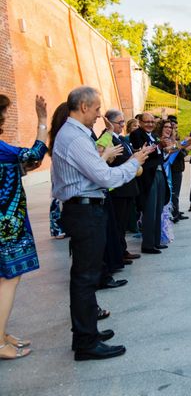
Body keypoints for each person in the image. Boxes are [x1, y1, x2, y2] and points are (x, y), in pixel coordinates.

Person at [52, 86, 152, 360]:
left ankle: (88, 333)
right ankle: (86, 342)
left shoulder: (73, 135)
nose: (99, 115)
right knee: (86, 278)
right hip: (84, 212)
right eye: (96, 109)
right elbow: (104, 178)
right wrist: (133, 162)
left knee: (86, 275)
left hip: (84, 209)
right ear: (83, 107)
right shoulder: (74, 138)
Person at [0, 94, 48, 360]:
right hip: (7, 224)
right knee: (9, 278)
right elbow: (34, 153)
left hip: (5, 220)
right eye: (3, 113)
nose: (6, 117)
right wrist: (41, 120)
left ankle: (1, 333)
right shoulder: (1, 148)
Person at [129, 112, 171, 254]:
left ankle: (156, 241)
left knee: (158, 209)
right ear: (140, 122)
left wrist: (162, 148)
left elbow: (159, 154)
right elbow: (144, 152)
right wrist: (159, 146)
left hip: (159, 173)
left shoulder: (153, 136)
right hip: (147, 176)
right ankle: (147, 244)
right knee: (150, 210)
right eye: (147, 122)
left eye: (152, 122)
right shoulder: (136, 134)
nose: (150, 124)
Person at [104, 110, 141, 263]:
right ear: (110, 123)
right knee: (118, 223)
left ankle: (122, 249)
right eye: (120, 122)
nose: (122, 125)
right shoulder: (107, 139)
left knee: (123, 221)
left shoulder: (121, 139)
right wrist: (133, 159)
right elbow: (114, 161)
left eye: (123, 122)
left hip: (128, 185)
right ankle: (118, 253)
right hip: (118, 188)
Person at [48, 102, 70, 240]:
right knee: (58, 195)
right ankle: (57, 228)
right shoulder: (63, 133)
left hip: (59, 166)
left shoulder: (58, 132)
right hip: (59, 166)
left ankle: (59, 227)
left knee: (58, 194)